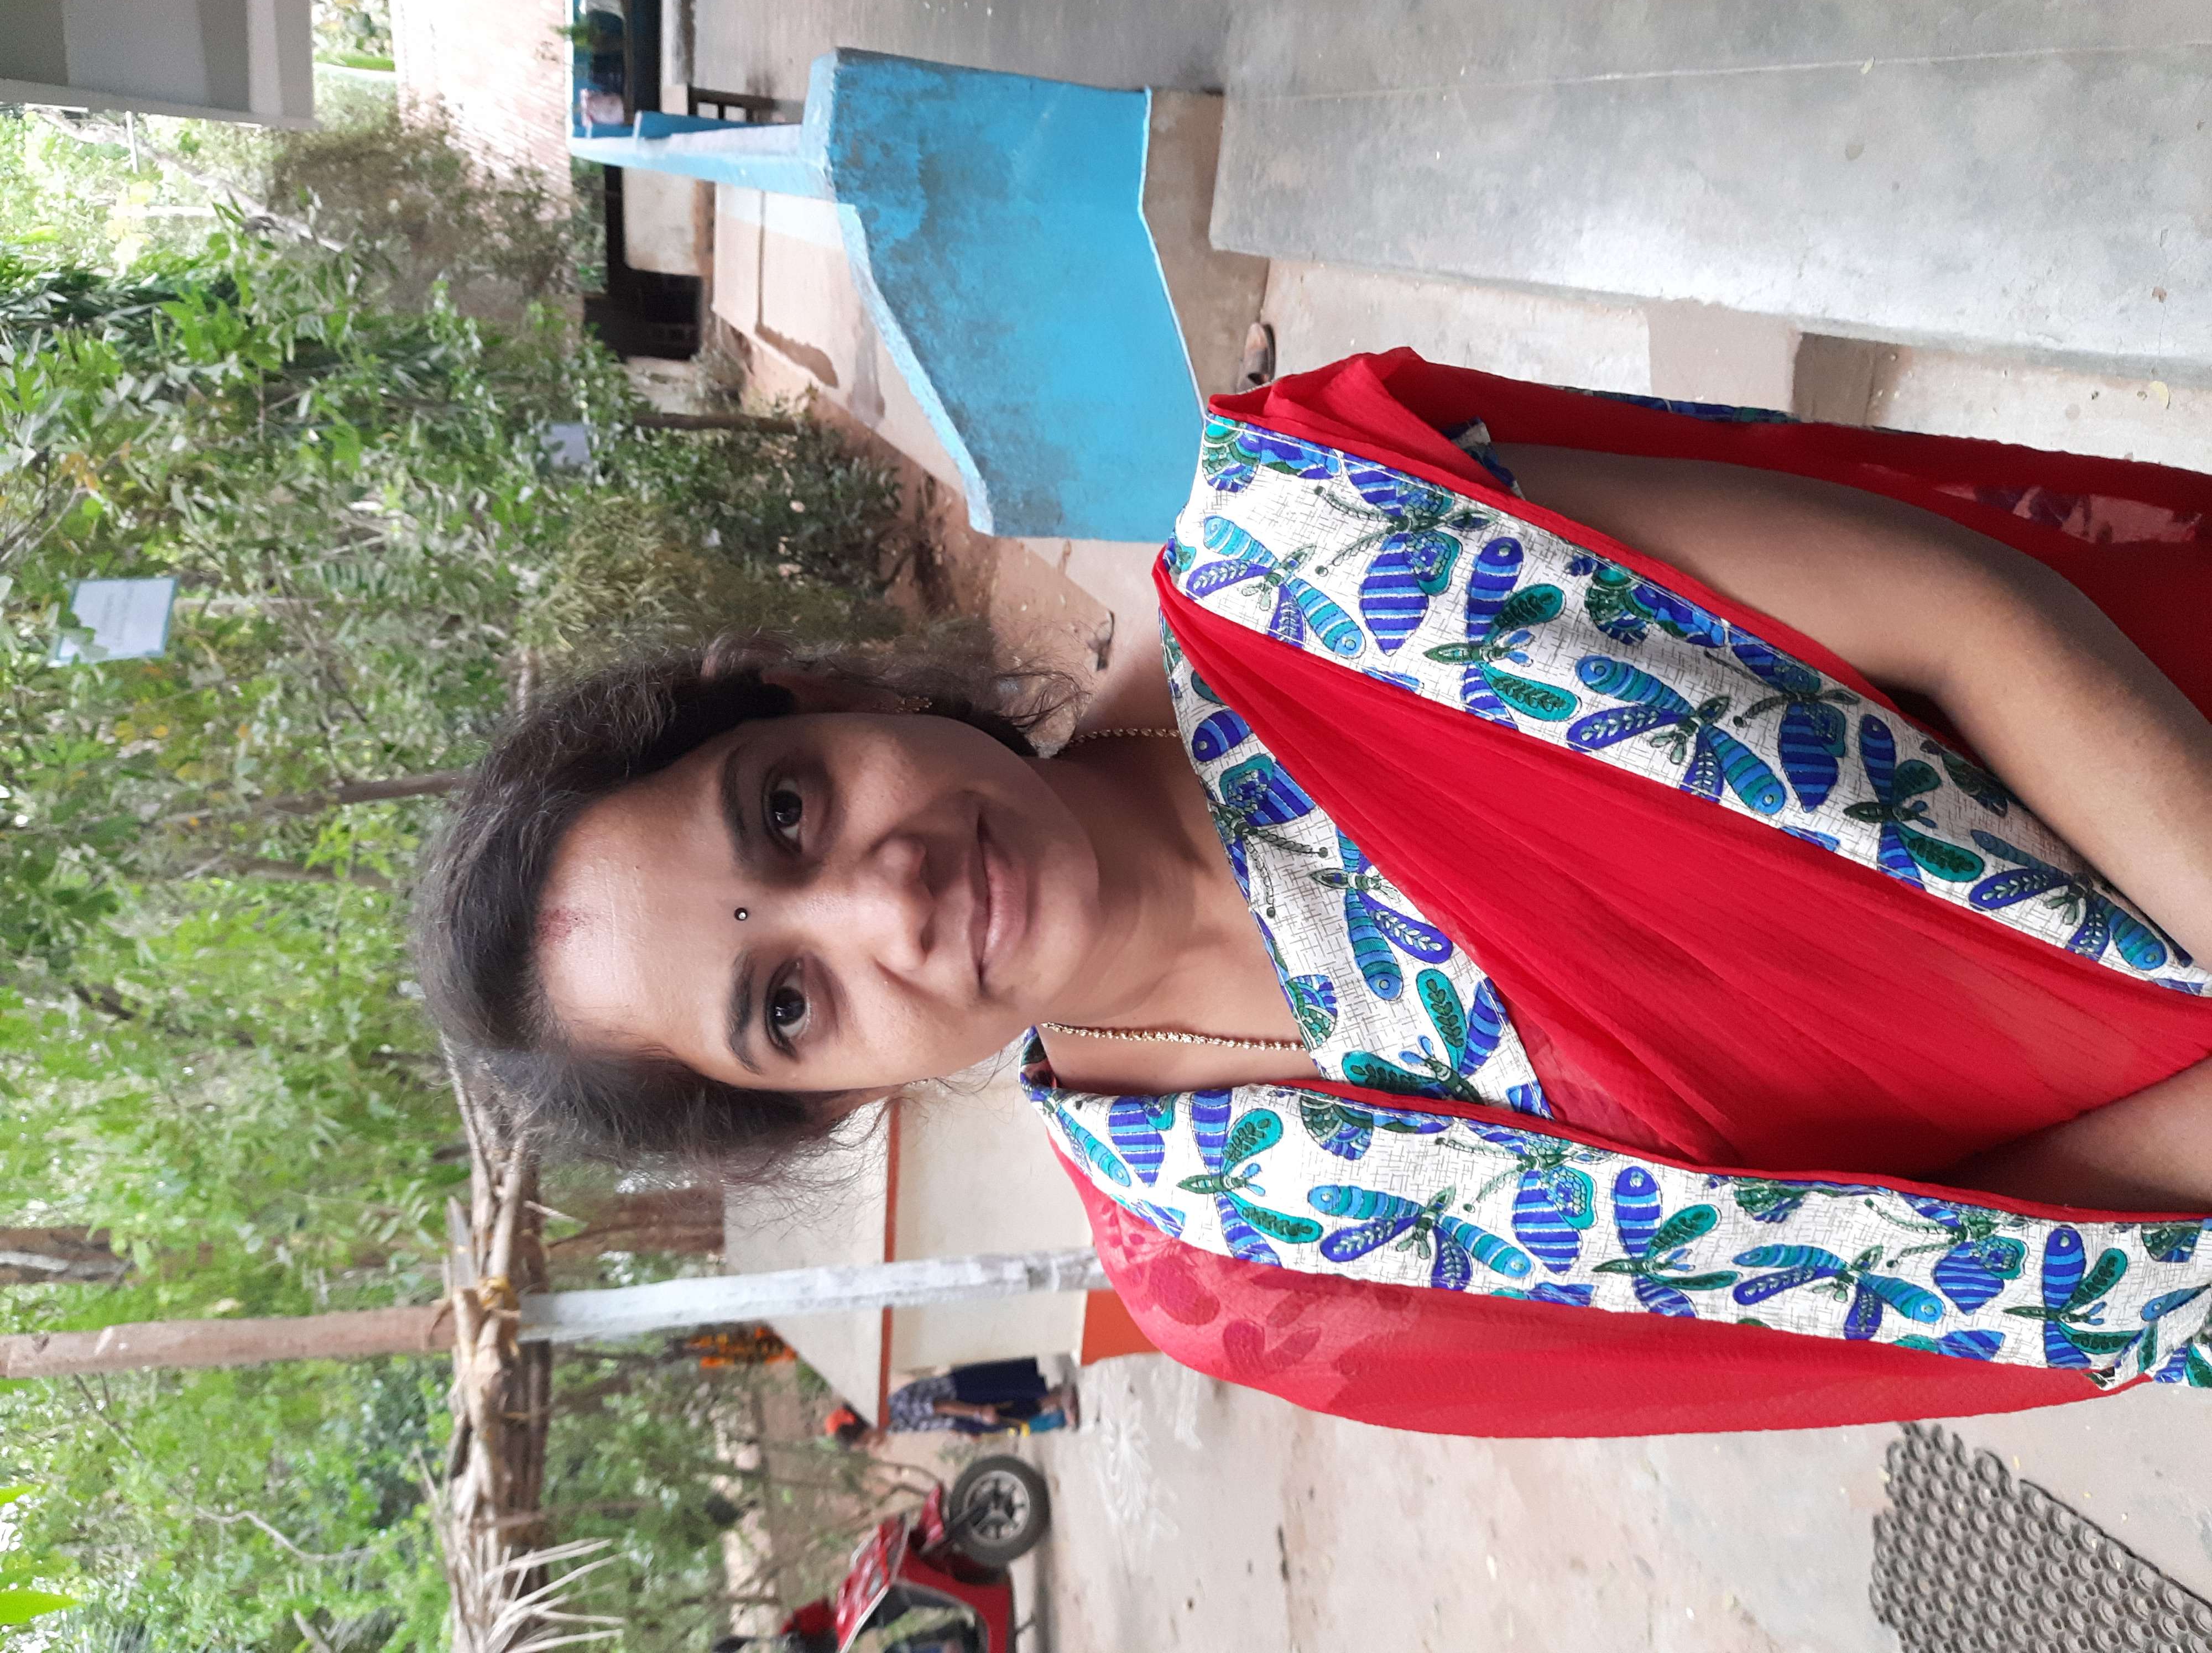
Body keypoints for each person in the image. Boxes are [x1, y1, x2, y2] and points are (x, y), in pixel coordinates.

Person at [418, 350, 2212, 1437]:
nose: (887, 905)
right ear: (824, 1102)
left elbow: (1964, 611)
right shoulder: (1253, 1260)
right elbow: (1961, 1282)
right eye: (789, 1003)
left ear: (818, 698)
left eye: (786, 811)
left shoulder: (1324, 540)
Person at [825, 1360, 1079, 1450]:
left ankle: (1060, 1398)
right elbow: (932, 1422)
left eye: (866, 1440)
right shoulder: (891, 1425)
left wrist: (978, 1412)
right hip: (959, 1415)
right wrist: (961, 1429)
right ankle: (1056, 1397)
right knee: (1010, 1417)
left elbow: (941, 1406)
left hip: (962, 1395)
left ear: (865, 1424)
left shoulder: (896, 1408)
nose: (873, 1444)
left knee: (1008, 1402)